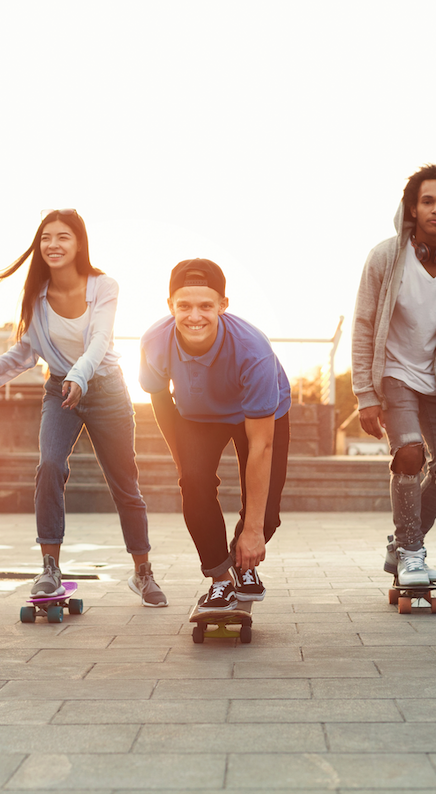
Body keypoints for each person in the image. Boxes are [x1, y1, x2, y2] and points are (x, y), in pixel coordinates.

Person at [0, 210, 166, 607]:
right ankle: (50, 567)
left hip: (106, 390)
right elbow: (27, 350)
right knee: (49, 465)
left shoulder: (104, 286)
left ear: (79, 243)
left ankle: (142, 572)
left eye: (63, 237)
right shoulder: (37, 295)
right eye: (46, 237)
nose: (53, 245)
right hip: (58, 391)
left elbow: (100, 340)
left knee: (124, 483)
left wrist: (80, 378)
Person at [351, 164, 436, 589]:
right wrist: (364, 394)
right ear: (412, 207)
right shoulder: (385, 256)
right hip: (393, 374)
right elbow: (363, 324)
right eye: (428, 200)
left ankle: (403, 543)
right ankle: (412, 554)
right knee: (409, 454)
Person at [139, 259, 290, 613]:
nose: (195, 316)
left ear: (223, 305)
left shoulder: (253, 351)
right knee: (192, 482)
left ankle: (243, 565)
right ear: (170, 306)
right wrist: (184, 463)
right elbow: (160, 399)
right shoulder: (155, 342)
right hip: (198, 416)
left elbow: (261, 446)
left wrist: (252, 531)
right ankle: (221, 580)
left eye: (206, 305)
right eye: (184, 306)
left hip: (256, 415)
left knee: (266, 515)